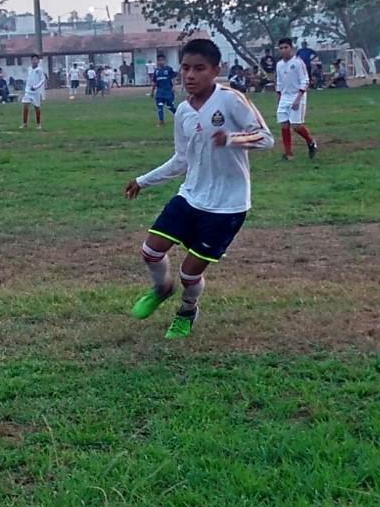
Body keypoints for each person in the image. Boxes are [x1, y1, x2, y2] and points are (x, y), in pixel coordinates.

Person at [124, 39, 272, 339]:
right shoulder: (182, 111)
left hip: (227, 205)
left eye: (199, 68)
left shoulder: (231, 99)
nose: (190, 75)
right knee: (150, 252)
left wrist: (231, 139)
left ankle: (187, 311)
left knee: (189, 274)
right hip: (191, 195)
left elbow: (266, 138)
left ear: (216, 70)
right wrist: (143, 180)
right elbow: (182, 159)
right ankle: (162, 288)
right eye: (186, 68)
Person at [274, 37, 318, 160]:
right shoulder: (279, 65)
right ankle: (288, 153)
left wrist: (298, 99)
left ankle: (311, 142)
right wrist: (279, 97)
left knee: (296, 126)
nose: (283, 50)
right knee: (284, 124)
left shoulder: (298, 63)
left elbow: (305, 81)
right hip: (284, 96)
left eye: (286, 47)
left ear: (291, 48)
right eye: (281, 48)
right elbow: (279, 82)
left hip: (297, 95)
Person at [21, 55, 46, 129]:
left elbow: (42, 80)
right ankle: (24, 123)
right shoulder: (29, 69)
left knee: (37, 108)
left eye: (36, 60)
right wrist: (26, 88)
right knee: (25, 106)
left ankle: (38, 124)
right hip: (28, 91)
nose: (34, 61)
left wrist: (35, 87)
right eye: (33, 60)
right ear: (31, 60)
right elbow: (28, 79)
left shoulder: (40, 70)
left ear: (38, 61)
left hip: (36, 92)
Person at [152, 54, 177, 126]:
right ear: (157, 61)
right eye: (159, 60)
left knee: (170, 106)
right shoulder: (156, 71)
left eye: (162, 60)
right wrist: (152, 92)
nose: (161, 62)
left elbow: (173, 78)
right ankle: (161, 121)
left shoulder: (168, 69)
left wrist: (174, 87)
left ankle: (179, 116)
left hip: (168, 91)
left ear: (165, 61)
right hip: (160, 92)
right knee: (159, 105)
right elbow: (154, 82)